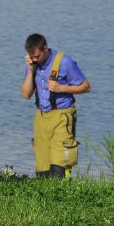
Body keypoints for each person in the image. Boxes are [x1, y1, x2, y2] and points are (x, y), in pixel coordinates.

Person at [20, 33, 91, 178]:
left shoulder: (65, 62)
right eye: (31, 56)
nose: (34, 59)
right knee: (42, 171)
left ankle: (63, 196)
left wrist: (62, 88)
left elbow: (86, 87)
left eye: (37, 56)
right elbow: (26, 95)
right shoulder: (33, 65)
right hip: (41, 118)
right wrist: (30, 70)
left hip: (62, 117)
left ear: (45, 48)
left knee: (59, 169)